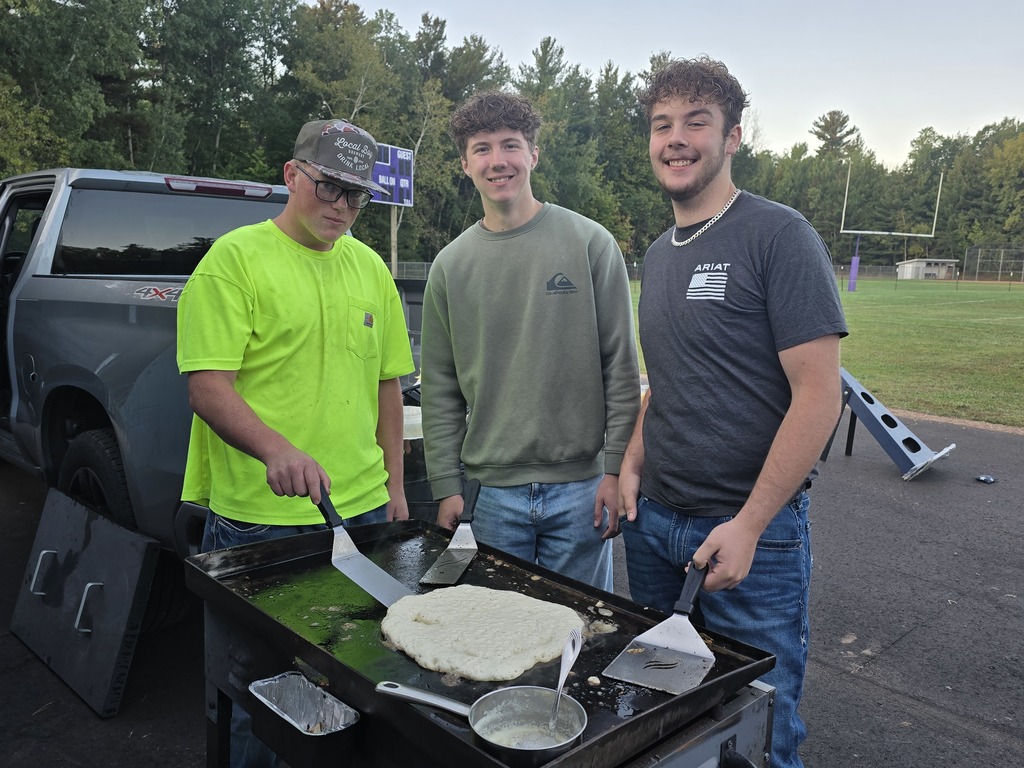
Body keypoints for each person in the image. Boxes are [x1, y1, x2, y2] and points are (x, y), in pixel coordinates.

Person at [618, 57, 848, 768]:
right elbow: (667, 380)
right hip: (655, 526)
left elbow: (821, 395)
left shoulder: (778, 234)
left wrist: (749, 523)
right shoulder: (659, 254)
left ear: (733, 137)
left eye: (697, 122)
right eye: (662, 124)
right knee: (662, 721)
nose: (676, 139)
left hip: (754, 538)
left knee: (761, 733)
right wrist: (631, 463)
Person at [176, 118, 414, 767]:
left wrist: (394, 488)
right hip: (261, 522)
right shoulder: (235, 260)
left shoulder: (370, 268)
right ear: (291, 174)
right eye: (329, 186)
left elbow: (388, 386)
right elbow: (208, 386)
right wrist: (274, 448)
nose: (342, 206)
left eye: (356, 195)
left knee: (354, 679)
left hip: (361, 514)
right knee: (265, 695)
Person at [420, 90, 640, 592]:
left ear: (534, 155)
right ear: (465, 164)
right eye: (482, 148)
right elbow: (439, 389)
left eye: (510, 145)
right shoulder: (450, 267)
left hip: (582, 490)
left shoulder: (590, 243)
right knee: (498, 632)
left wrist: (614, 471)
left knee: (580, 627)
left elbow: (621, 370)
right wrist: (446, 486)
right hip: (489, 496)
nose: (497, 160)